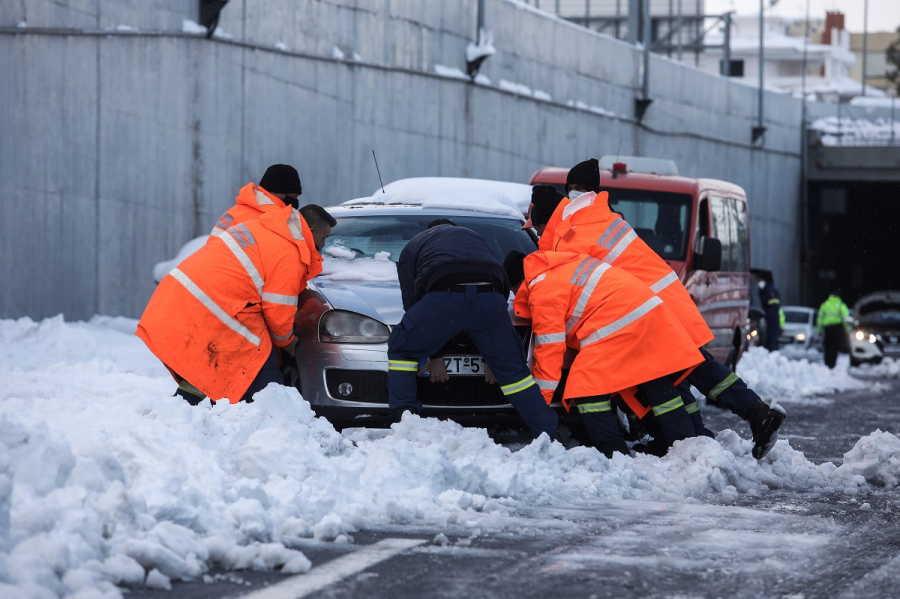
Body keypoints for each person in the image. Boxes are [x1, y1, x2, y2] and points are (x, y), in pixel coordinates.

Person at [537, 159, 785, 459]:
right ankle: (706, 431)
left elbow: (571, 278)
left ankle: (747, 417)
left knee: (691, 366)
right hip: (660, 297)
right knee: (686, 368)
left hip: (648, 304)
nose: (572, 195)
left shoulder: (577, 227)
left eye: (576, 189)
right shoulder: (606, 218)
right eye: (571, 190)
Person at [505, 250, 702, 458]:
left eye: (512, 289)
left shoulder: (542, 290)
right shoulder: (558, 268)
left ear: (519, 282)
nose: (514, 295)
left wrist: (537, 406)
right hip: (642, 312)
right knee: (654, 383)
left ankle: (613, 453)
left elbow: (549, 351)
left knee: (586, 386)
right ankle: (683, 443)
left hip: (619, 321)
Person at [387, 220, 560, 439]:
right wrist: (490, 355)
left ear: (429, 230)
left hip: (444, 297)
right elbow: (501, 284)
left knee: (402, 350)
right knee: (513, 371)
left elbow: (411, 301)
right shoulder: (473, 237)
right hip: (491, 298)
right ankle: (548, 431)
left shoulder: (414, 244)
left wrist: (434, 353)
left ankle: (405, 419)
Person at [136, 206, 321, 404]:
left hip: (190, 297)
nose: (323, 246)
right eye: (324, 238)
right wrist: (288, 342)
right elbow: (278, 312)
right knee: (258, 360)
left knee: (206, 365)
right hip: (220, 305)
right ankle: (271, 415)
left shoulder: (259, 227)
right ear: (312, 229)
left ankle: (183, 407)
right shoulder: (290, 253)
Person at [817, 288, 851, 369]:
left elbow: (819, 318)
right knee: (835, 346)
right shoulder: (841, 305)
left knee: (827, 345)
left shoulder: (825, 304)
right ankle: (833, 363)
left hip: (827, 329)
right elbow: (846, 319)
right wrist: (847, 330)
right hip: (837, 328)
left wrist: (819, 330)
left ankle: (827, 363)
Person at [758, 273, 782, 352]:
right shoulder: (764, 291)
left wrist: (768, 318)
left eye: (760, 280)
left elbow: (773, 307)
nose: (758, 282)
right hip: (768, 319)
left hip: (772, 320)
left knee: (771, 340)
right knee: (768, 340)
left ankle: (771, 355)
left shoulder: (772, 291)